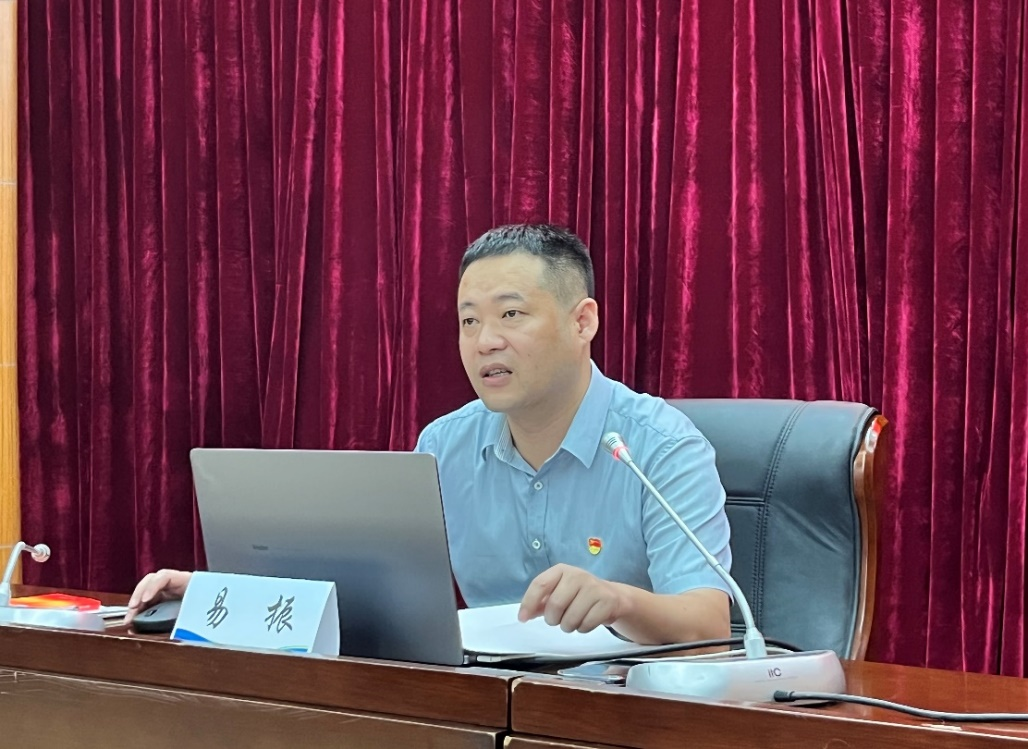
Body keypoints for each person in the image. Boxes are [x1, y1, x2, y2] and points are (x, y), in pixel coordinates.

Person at [127, 224, 732, 646]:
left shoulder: (659, 446)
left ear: (583, 321)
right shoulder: (445, 446)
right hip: (483, 706)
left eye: (511, 314)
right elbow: (359, 589)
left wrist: (620, 602)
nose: (485, 341)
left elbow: (709, 620)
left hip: (622, 713)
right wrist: (216, 591)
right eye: (469, 321)